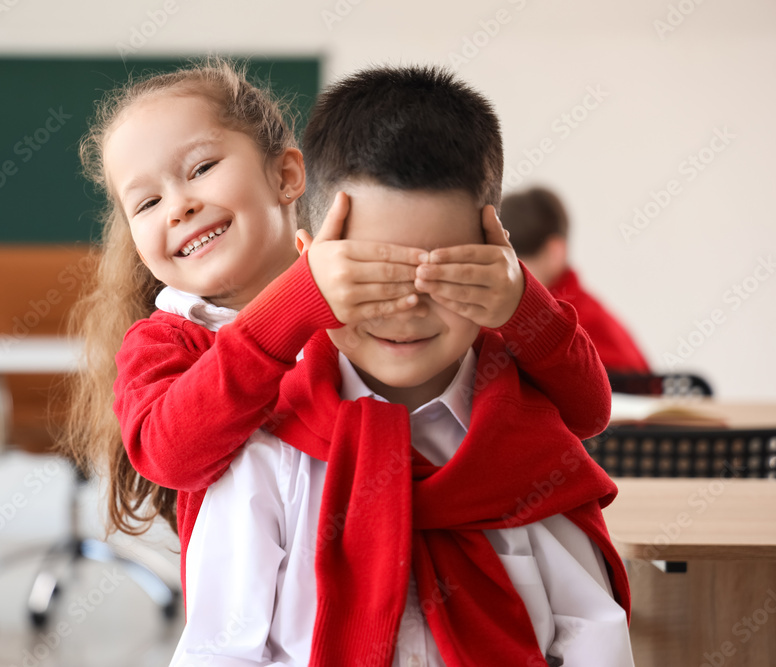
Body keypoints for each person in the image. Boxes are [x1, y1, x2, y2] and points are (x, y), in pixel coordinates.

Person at [64, 59, 629, 665]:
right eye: (146, 203)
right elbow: (172, 456)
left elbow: (588, 408)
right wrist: (299, 302)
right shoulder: (189, 352)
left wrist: (518, 301)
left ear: (286, 176)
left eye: (202, 168)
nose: (178, 207)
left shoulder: (452, 365)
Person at [500, 186, 651, 374]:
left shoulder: (583, 323)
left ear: (555, 252)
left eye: (517, 265)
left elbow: (643, 396)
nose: (504, 276)